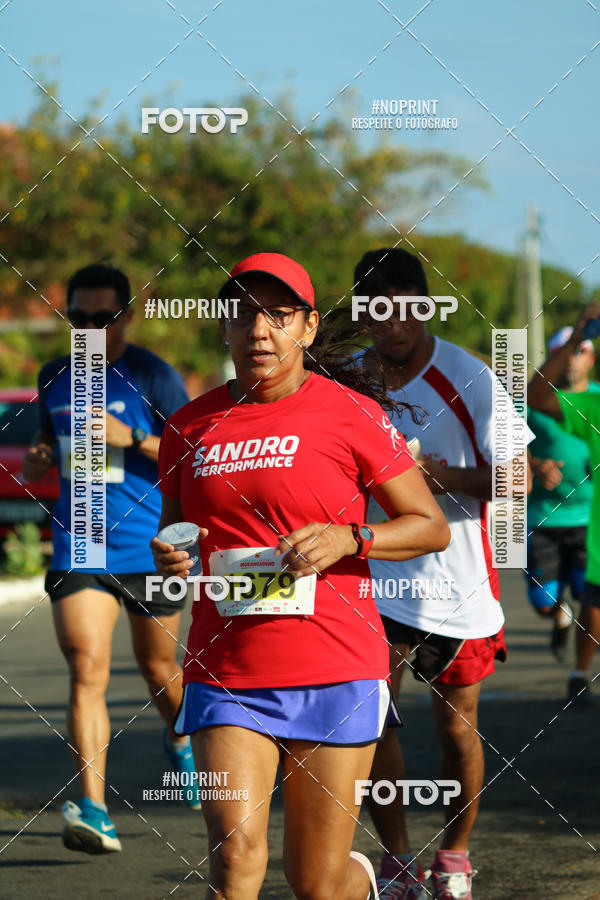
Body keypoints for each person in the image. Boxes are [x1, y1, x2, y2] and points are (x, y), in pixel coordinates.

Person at [151, 251, 450, 900]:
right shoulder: (187, 426)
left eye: (278, 316)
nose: (259, 330)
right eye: (243, 315)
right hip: (227, 673)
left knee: (315, 881)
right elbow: (175, 531)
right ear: (224, 329)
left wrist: (352, 537)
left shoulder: (351, 414)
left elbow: (429, 525)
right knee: (235, 861)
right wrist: (171, 554)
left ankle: (364, 880)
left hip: (336, 667)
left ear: (308, 329)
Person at [351, 247, 533, 900]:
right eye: (378, 309)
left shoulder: (470, 376)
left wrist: (441, 479)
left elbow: (518, 478)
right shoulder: (348, 380)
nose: (392, 323)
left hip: (457, 588)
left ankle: (453, 855)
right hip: (372, 581)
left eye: (405, 307)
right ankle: (397, 860)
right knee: (372, 719)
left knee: (456, 729)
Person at [23, 264, 192, 855]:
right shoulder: (55, 376)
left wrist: (134, 440)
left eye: (105, 318)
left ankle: (180, 738)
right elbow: (48, 447)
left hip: (152, 546)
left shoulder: (153, 376)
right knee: (87, 668)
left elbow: (195, 453)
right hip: (83, 544)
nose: (92, 329)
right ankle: (93, 808)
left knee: (159, 670)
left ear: (128, 315)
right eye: (80, 319)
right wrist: (39, 462)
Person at [528, 302, 600, 705]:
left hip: (590, 523)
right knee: (544, 603)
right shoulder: (576, 406)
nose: (575, 357)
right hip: (545, 517)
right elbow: (506, 444)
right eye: (570, 350)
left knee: (590, 599)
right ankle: (557, 617)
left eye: (583, 350)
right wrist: (535, 464)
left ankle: (578, 673)